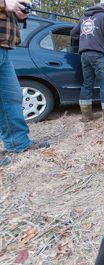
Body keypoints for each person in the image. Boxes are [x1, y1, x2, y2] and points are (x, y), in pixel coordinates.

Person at [0, 0, 50, 167]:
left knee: (11, 97)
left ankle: (18, 143)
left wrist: (19, 14)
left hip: (5, 47)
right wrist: (5, 3)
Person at [71, 0, 104, 123]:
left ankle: (86, 116)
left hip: (84, 55)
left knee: (87, 83)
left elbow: (73, 34)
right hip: (99, 55)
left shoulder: (84, 18)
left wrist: (83, 43)